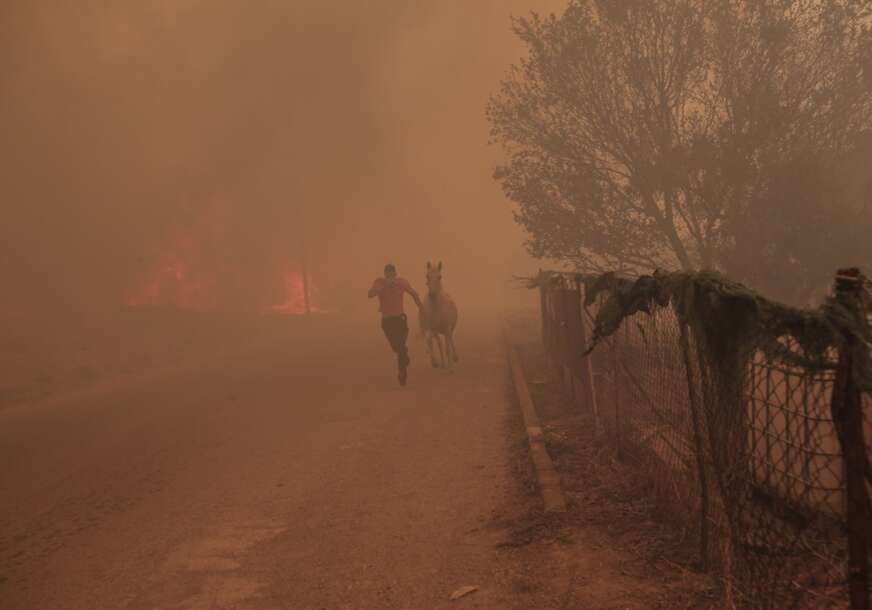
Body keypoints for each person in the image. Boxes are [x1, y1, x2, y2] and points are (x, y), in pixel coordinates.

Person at [368, 263, 422, 386]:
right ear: (385, 274)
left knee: (401, 346)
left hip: (400, 320)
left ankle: (402, 373)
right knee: (396, 348)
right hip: (387, 321)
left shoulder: (401, 282)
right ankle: (404, 356)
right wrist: (380, 288)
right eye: (387, 273)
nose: (390, 276)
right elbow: (370, 294)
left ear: (395, 274)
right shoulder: (379, 282)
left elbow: (413, 293)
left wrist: (421, 307)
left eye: (392, 273)